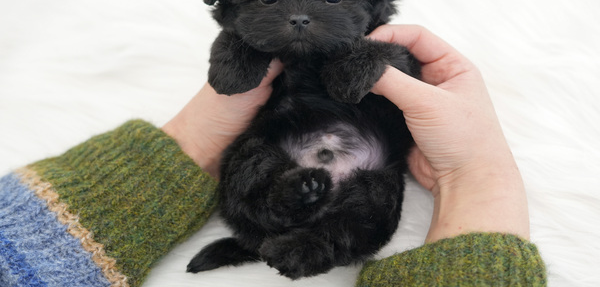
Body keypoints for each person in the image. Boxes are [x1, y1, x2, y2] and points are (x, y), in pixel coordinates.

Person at [0, 25, 546, 286]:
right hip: (284, 158)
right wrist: (479, 178)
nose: (301, 18)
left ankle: (313, 244)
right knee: (258, 170)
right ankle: (289, 216)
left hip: (358, 164)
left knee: (366, 208)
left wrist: (192, 140)